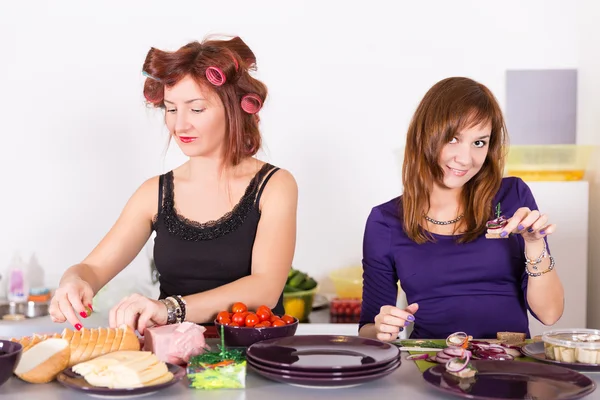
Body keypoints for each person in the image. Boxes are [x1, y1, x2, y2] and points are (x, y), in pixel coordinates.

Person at [49, 36, 298, 334]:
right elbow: (93, 269)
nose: (180, 125)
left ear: (233, 108)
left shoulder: (275, 186)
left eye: (196, 109)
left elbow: (265, 288)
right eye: (171, 109)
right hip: (172, 357)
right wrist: (73, 281)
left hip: (255, 356)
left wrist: (170, 308)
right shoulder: (153, 193)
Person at [358, 77, 564, 341]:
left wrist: (535, 243)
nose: (465, 159)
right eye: (453, 139)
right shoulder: (385, 221)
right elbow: (368, 329)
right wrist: (382, 328)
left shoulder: (512, 196)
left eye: (479, 142)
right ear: (424, 135)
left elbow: (550, 313)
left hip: (510, 365)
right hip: (432, 366)